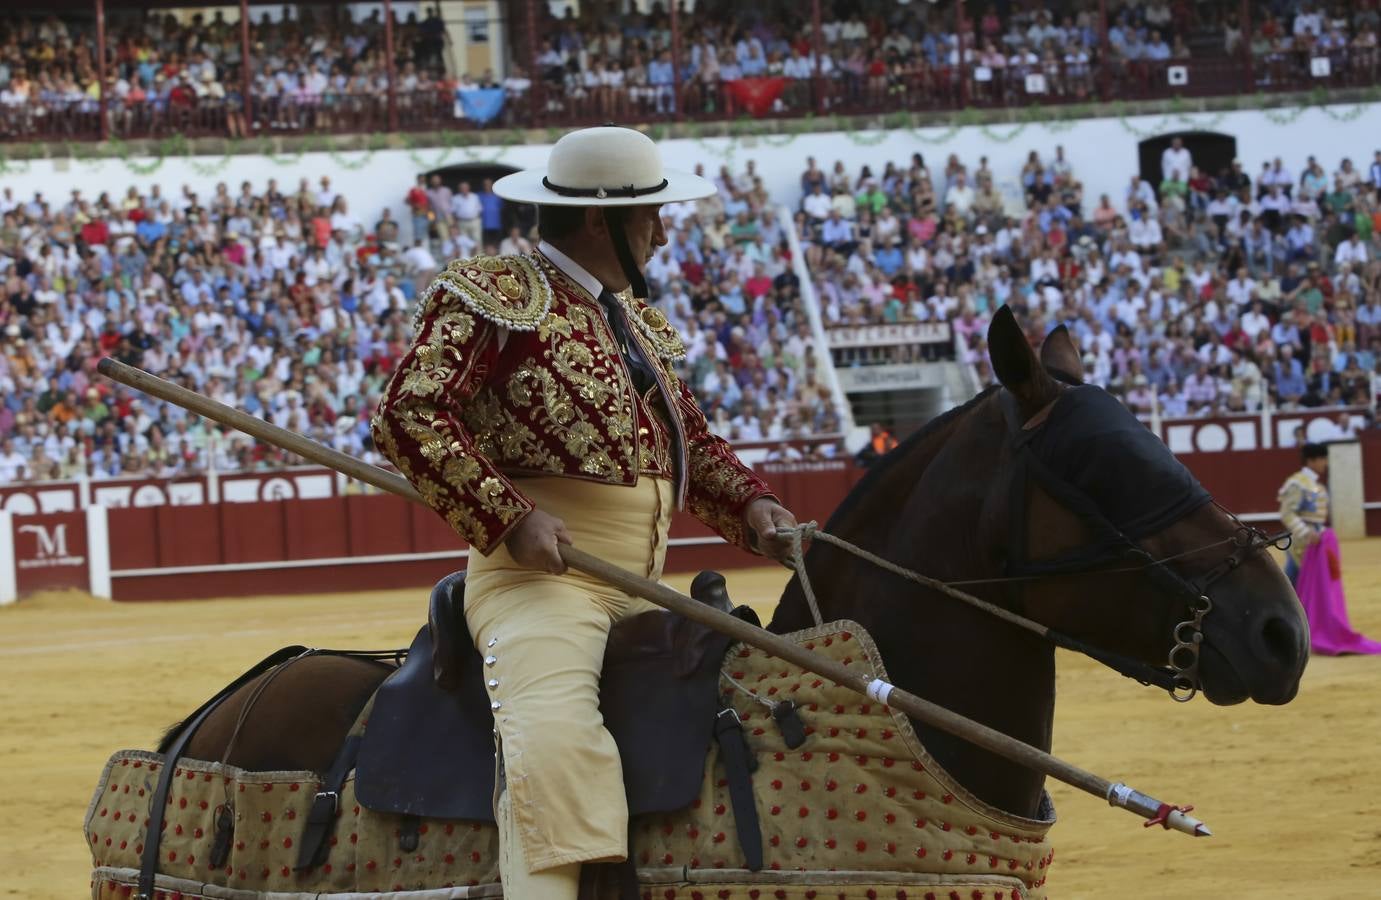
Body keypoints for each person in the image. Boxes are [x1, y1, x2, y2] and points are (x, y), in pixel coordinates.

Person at [370, 126, 800, 900]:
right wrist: (507, 516)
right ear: (602, 222)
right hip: (541, 586)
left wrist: (754, 504)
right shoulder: (495, 295)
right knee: (556, 749)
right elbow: (409, 413)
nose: (663, 232)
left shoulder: (633, 320)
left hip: (644, 588)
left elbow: (688, 443)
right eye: (650, 218)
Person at [1277, 442, 1329, 583]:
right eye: (1323, 458)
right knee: (1293, 583)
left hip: (1314, 539)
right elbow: (1287, 513)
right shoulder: (1297, 483)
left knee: (1310, 584)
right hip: (1300, 541)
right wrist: (1306, 532)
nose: (1326, 463)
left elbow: (1316, 519)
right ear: (1311, 460)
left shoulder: (1314, 484)